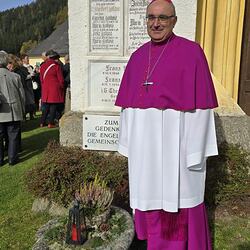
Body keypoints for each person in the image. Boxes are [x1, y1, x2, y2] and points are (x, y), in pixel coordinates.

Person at [115, 0, 218, 249]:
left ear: (174, 20)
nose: (156, 23)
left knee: (180, 195)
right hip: (145, 145)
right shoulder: (138, 55)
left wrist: (194, 151)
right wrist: (129, 142)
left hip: (178, 144)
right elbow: (128, 106)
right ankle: (150, 239)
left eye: (162, 17)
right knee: (149, 189)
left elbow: (201, 108)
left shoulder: (192, 52)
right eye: (151, 17)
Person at [0, 51, 25, 166]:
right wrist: (23, 111)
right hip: (13, 110)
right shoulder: (15, 76)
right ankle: (12, 159)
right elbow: (22, 96)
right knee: (13, 135)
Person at [39, 49, 65, 128]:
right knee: (53, 106)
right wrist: (62, 87)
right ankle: (51, 123)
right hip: (54, 89)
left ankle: (42, 122)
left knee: (46, 107)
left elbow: (41, 79)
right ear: (54, 58)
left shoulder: (42, 66)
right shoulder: (56, 66)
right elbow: (61, 79)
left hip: (45, 89)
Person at [7, 54, 35, 120]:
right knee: (25, 102)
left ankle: (29, 115)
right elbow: (23, 77)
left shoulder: (23, 68)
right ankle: (25, 116)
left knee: (28, 102)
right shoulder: (18, 69)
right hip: (23, 87)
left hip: (26, 86)